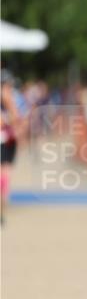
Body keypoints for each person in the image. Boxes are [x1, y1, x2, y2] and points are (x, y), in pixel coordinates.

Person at [1, 71, 22, 225]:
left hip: (9, 140)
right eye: (7, 86)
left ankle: (2, 206)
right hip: (3, 141)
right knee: (3, 173)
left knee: (6, 174)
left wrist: (10, 103)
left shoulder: (10, 99)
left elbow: (16, 119)